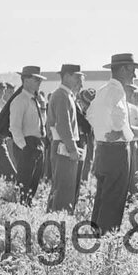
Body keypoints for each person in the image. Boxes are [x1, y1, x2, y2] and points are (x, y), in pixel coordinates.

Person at [87, 53, 138, 233]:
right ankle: (107, 240)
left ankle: (95, 236)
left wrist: (102, 132)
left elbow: (90, 115)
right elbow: (120, 118)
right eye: (132, 70)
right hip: (117, 150)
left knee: (101, 197)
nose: (134, 75)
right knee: (114, 199)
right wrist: (122, 133)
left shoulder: (102, 90)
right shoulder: (118, 92)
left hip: (102, 149)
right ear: (123, 69)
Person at [45, 64, 85, 213]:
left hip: (63, 144)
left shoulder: (65, 95)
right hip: (64, 146)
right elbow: (63, 125)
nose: (79, 81)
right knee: (64, 188)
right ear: (67, 76)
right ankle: (59, 220)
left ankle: (54, 219)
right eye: (77, 77)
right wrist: (72, 148)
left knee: (62, 187)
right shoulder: (62, 95)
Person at [9, 66, 49, 206]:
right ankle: (21, 208)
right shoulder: (20, 100)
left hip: (37, 142)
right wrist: (24, 147)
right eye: (35, 79)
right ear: (25, 80)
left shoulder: (35, 100)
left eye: (40, 79)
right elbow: (14, 127)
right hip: (26, 144)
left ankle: (28, 205)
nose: (39, 82)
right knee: (24, 181)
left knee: (34, 180)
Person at [74, 88, 96, 205]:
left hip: (89, 138)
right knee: (82, 166)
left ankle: (83, 190)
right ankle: (80, 192)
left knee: (88, 163)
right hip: (81, 139)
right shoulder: (77, 108)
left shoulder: (93, 112)